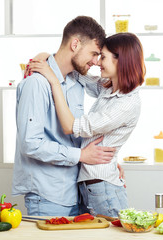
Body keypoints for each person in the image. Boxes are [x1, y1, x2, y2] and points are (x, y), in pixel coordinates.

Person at [27, 32, 145, 217]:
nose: (97, 62)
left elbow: (71, 127)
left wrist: (53, 82)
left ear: (120, 61)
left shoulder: (126, 103)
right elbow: (77, 72)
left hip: (103, 188)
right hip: (92, 186)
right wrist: (44, 56)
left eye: (103, 57)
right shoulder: (109, 88)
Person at [12, 16, 117, 217]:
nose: (96, 62)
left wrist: (108, 163)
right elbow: (30, 143)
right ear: (75, 44)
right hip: (47, 196)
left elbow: (75, 133)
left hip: (75, 193)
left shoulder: (77, 82)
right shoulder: (37, 84)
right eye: (94, 53)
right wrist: (81, 155)